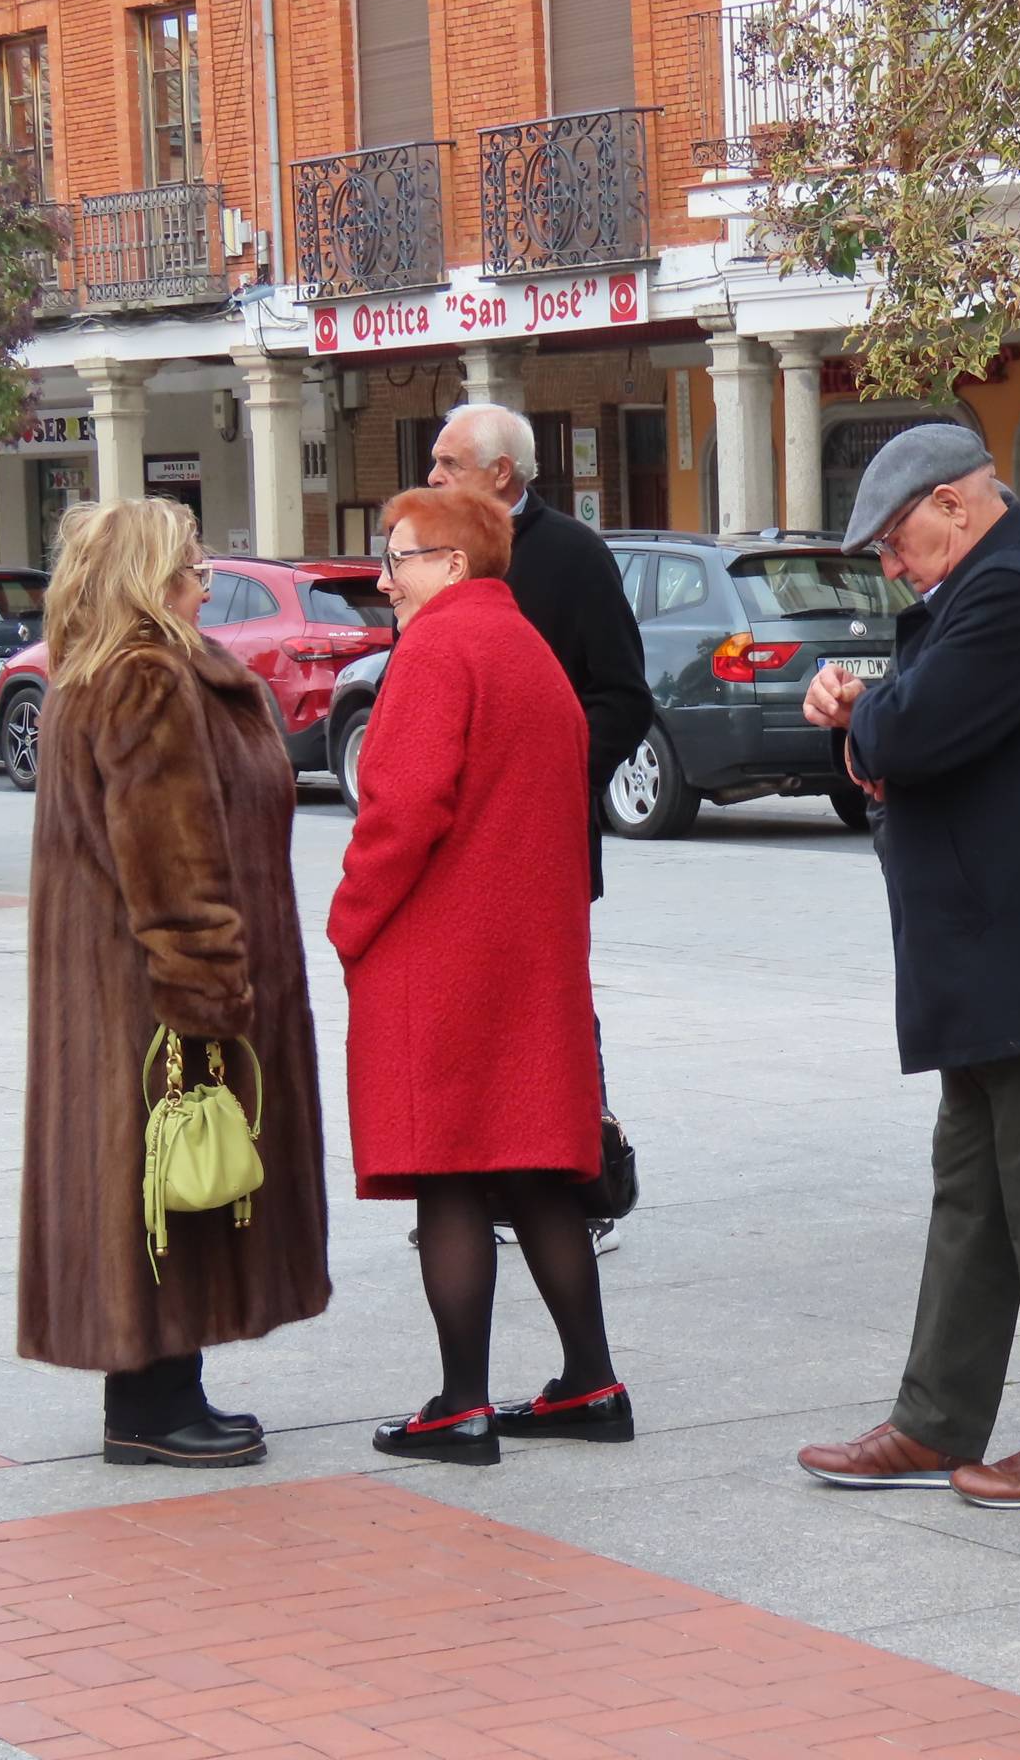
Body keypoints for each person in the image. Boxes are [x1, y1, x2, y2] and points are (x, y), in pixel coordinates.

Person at [795, 425, 1020, 1510]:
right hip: (995, 958)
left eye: (897, 542)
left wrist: (866, 718)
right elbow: (902, 738)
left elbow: (908, 740)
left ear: (954, 504)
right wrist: (867, 725)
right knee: (972, 1197)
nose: (891, 569)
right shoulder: (992, 585)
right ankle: (933, 1420)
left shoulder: (1017, 592)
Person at [17, 497, 332, 1468]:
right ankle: (154, 1404)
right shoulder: (147, 680)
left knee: (151, 1182)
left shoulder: (99, 673)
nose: (205, 582)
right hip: (155, 992)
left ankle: (157, 1388)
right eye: (191, 568)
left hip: (112, 991)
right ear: (150, 583)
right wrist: (207, 999)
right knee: (172, 1182)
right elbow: (173, 864)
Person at [330, 487, 629, 1465]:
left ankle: (460, 1403)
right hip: (528, 954)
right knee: (536, 1165)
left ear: (452, 564)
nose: (383, 578)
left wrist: (350, 919)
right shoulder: (527, 649)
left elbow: (402, 807)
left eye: (398, 557)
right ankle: (590, 1380)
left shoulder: (437, 649)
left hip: (444, 954)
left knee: (447, 1168)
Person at [427, 402, 650, 1256]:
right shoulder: (439, 557)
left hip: (545, 845)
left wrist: (547, 779)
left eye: (447, 464)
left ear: (501, 476)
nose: (433, 477)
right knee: (469, 1014)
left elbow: (625, 696)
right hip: (456, 848)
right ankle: (482, 1188)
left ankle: (580, 1189)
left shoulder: (572, 556)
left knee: (554, 1019)